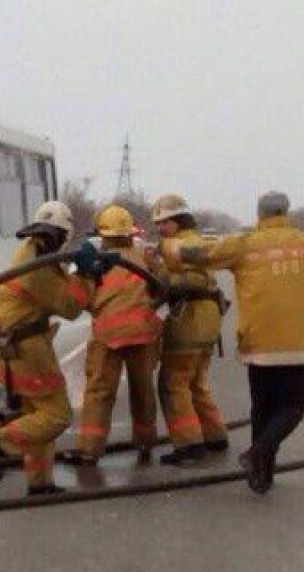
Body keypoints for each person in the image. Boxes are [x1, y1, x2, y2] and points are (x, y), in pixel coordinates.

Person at [160, 191, 304, 493]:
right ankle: (258, 456)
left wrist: (165, 247)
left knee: (262, 407)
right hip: (298, 342)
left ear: (260, 215)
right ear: (286, 212)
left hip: (258, 343)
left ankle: (261, 473)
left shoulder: (243, 244)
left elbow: (198, 253)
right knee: (292, 406)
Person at [0, 201, 92, 495]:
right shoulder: (36, 267)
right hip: (29, 350)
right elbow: (70, 307)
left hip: (20, 345)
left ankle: (39, 483)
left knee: (37, 412)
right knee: (56, 415)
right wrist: (87, 275)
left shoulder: (35, 253)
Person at [65, 205, 162, 465]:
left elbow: (78, 301)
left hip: (108, 336)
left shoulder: (93, 261)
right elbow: (160, 287)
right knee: (143, 390)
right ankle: (145, 442)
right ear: (130, 232)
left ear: (103, 233)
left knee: (99, 392)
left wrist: (79, 275)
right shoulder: (145, 256)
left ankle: (89, 450)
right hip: (143, 333)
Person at [150, 194, 227, 465]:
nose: (160, 228)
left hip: (189, 322)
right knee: (196, 383)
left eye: (165, 222)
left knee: (173, 383)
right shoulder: (197, 241)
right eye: (157, 223)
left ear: (179, 220)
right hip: (206, 322)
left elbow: (195, 280)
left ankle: (188, 444)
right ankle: (214, 436)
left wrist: (158, 281)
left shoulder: (178, 245)